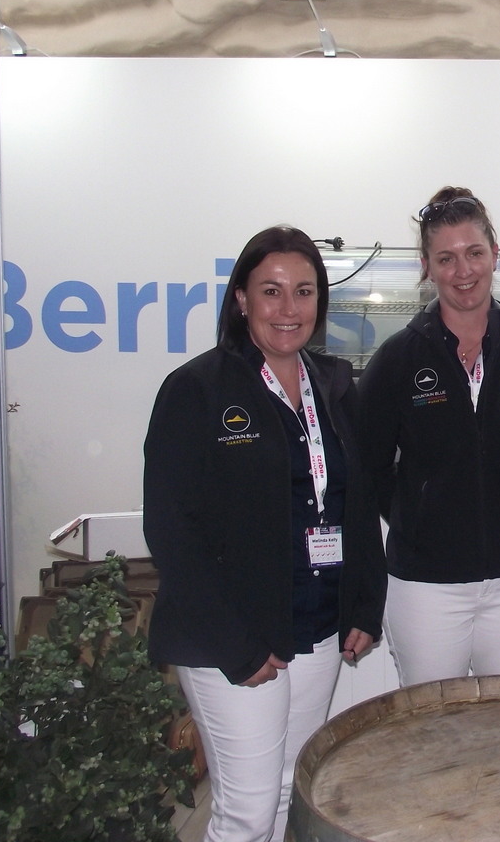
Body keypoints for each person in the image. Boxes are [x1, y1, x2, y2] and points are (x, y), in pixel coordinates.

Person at [143, 225, 386, 842]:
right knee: (247, 809)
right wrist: (236, 646)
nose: (288, 308)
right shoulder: (197, 390)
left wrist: (363, 602)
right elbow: (171, 530)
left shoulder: (334, 384)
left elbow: (355, 504)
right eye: (271, 291)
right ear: (241, 299)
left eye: (304, 291)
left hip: (317, 625)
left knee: (289, 793)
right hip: (235, 633)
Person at [357, 188, 500, 686]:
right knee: (431, 723)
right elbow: (368, 466)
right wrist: (418, 513)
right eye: (446, 258)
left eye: (474, 253)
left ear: (495, 255)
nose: (463, 271)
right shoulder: (398, 358)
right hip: (426, 588)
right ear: (427, 267)